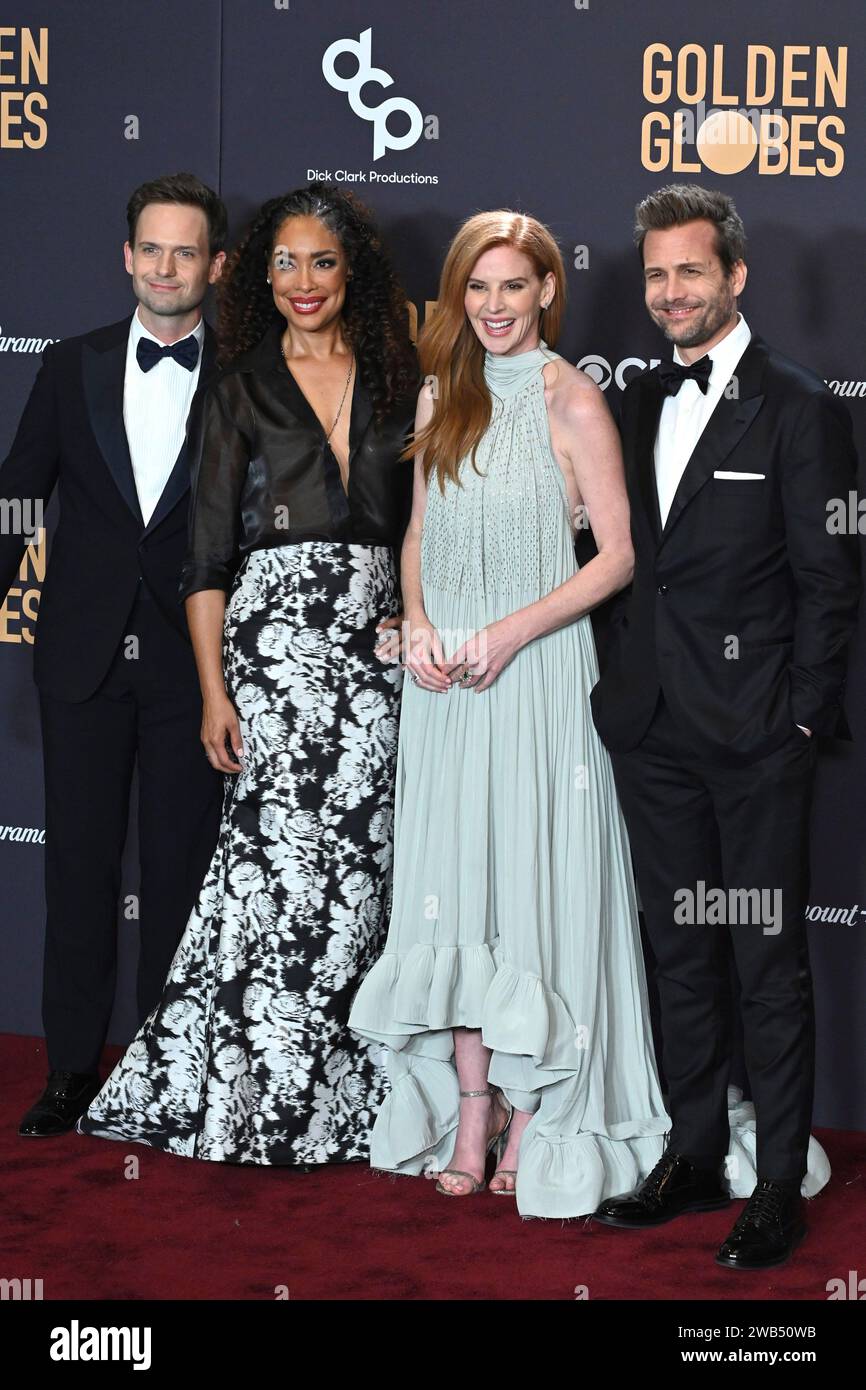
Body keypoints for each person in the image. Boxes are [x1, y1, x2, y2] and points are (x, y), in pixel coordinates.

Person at [78, 184, 419, 1165]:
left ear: (349, 269)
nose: (301, 282)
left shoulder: (397, 374)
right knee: (272, 880)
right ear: (256, 275)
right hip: (269, 655)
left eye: (319, 262)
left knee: (359, 881)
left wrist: (409, 606)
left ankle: (360, 1103)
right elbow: (205, 560)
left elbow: (419, 522)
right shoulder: (236, 386)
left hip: (376, 654)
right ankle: (263, 1098)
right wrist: (216, 692)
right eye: (282, 263)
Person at [348, 210, 676, 1215]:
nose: (493, 307)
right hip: (444, 689)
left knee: (532, 898)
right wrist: (412, 624)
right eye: (475, 289)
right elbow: (414, 539)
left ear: (545, 291)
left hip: (534, 680)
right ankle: (473, 1107)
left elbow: (615, 557)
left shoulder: (570, 400)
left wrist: (507, 634)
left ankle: (538, 1116)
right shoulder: (442, 395)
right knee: (456, 898)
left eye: (511, 288)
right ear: (459, 299)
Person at [590, 184, 860, 1269]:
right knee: (676, 953)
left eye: (687, 272)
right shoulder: (637, 400)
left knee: (763, 962)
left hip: (753, 740)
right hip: (649, 728)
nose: (667, 293)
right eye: (653, 274)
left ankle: (777, 1186)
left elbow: (828, 581)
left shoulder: (799, 407)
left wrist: (796, 718)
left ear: (734, 277)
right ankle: (694, 1155)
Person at [0, 173, 228, 1138]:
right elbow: (18, 496)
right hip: (81, 660)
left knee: (181, 874)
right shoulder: (69, 365)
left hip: (198, 669)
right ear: (126, 257)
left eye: (187, 252)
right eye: (152, 249)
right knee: (79, 871)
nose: (167, 267)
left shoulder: (251, 377)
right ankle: (67, 1073)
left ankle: (160, 1076)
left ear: (214, 267)